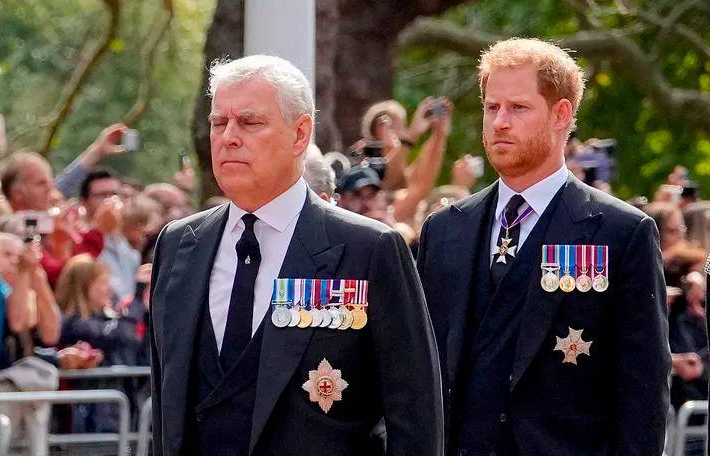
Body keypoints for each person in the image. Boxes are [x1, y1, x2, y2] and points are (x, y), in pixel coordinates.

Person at [150, 55, 442, 456]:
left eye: (250, 122)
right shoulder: (180, 243)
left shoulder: (368, 249)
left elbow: (415, 418)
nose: (228, 137)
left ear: (300, 134)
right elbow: (167, 411)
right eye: (220, 122)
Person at [417, 38, 670, 455]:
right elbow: (419, 374)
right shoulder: (446, 230)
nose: (500, 122)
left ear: (561, 114)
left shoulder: (620, 232)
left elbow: (643, 388)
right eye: (491, 107)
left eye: (518, 108)